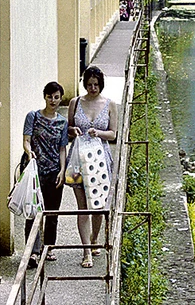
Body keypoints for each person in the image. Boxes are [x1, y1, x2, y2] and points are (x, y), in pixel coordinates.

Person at [68, 66, 116, 268]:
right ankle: (86, 251)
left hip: (100, 159)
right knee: (82, 208)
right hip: (78, 159)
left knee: (98, 206)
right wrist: (73, 130)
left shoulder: (110, 104)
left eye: (96, 85)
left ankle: (94, 238)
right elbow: (68, 130)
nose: (92, 88)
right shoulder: (75, 102)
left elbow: (113, 134)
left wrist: (99, 133)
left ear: (101, 85)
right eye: (89, 85)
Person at [22, 81, 69, 268]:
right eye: (50, 96)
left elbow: (62, 148)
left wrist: (62, 170)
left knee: (52, 212)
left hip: (54, 171)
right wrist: (28, 152)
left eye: (56, 97)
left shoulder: (62, 122)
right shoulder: (32, 117)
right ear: (45, 97)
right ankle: (32, 251)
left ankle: (49, 247)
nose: (53, 100)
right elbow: (26, 140)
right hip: (35, 172)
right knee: (32, 212)